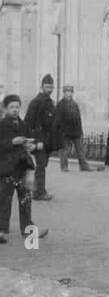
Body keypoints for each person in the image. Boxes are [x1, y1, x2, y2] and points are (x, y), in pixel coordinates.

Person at [0, 95, 48, 244]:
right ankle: (3, 232)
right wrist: (12, 142)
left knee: (25, 201)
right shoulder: (1, 125)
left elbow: (31, 138)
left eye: (17, 107)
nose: (15, 110)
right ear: (5, 109)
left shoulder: (23, 124)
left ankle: (28, 230)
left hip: (22, 168)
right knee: (4, 201)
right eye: (12, 107)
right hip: (7, 169)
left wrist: (32, 145)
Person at [23, 73, 57, 201]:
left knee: (43, 165)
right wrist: (38, 141)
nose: (50, 89)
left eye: (51, 87)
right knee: (41, 165)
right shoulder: (36, 102)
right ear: (42, 86)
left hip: (47, 141)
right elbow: (31, 123)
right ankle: (39, 192)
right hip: (40, 141)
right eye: (47, 87)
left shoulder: (49, 102)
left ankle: (38, 189)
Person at [55, 84, 90, 172]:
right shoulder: (60, 104)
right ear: (64, 93)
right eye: (67, 92)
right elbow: (58, 119)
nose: (69, 94)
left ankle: (84, 166)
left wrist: (81, 131)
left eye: (70, 92)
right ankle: (64, 167)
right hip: (65, 132)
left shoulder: (75, 104)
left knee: (80, 150)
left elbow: (78, 118)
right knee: (64, 150)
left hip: (76, 131)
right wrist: (60, 131)